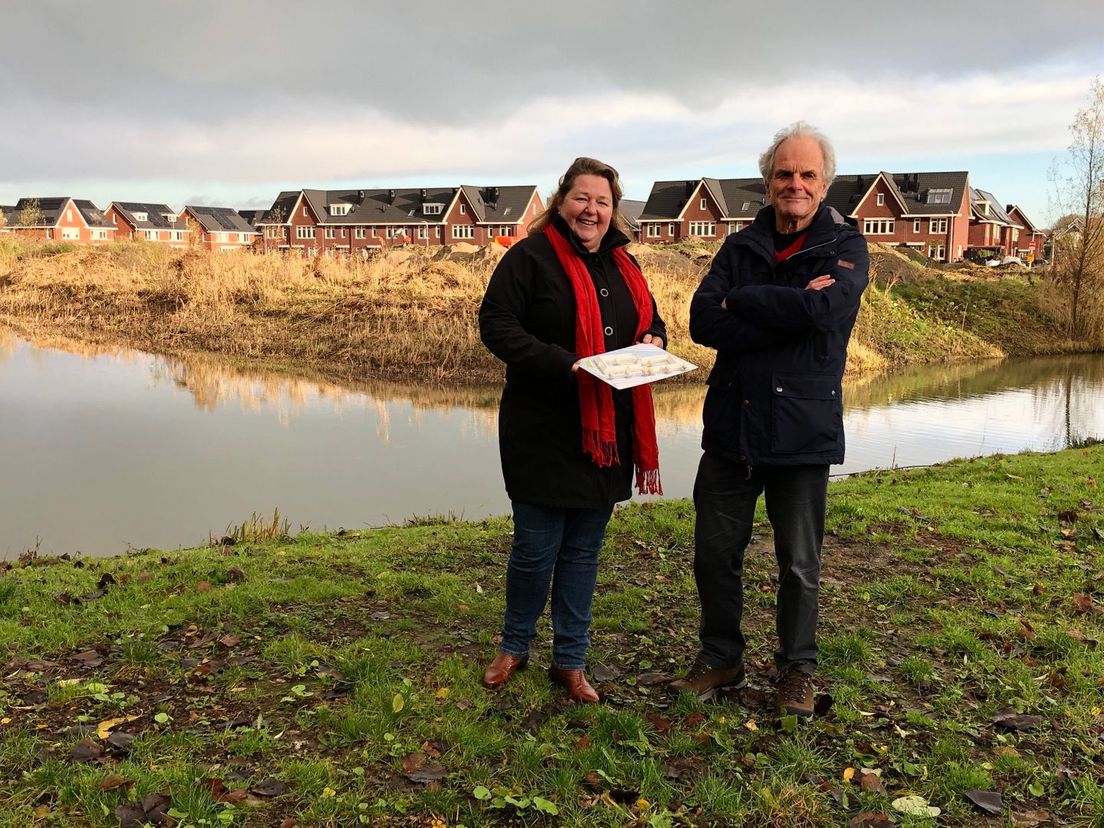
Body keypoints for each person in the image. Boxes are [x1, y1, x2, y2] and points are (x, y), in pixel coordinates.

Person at [670, 123, 869, 719]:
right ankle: (721, 656)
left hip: (802, 433)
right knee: (713, 553)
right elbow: (703, 321)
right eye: (785, 173)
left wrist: (746, 300)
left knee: (800, 564)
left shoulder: (847, 245)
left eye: (808, 174)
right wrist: (789, 309)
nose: (795, 184)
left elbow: (827, 308)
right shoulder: (740, 247)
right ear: (768, 180)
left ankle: (796, 670)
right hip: (733, 426)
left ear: (825, 182)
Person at [478, 157, 667, 704]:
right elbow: (497, 325)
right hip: (542, 429)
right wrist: (565, 363)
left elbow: (650, 320)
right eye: (582, 198)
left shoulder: (624, 266)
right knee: (535, 549)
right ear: (562, 203)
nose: (592, 210)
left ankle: (571, 659)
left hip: (607, 433)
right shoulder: (529, 259)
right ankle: (514, 646)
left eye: (602, 202)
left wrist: (653, 340)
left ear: (614, 211)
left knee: (584, 551)